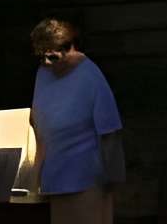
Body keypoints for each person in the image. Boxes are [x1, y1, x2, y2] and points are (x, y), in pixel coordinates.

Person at [27, 17, 124, 222]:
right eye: (41, 57)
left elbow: (110, 133)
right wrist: (35, 178)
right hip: (55, 180)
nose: (46, 63)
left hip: (87, 181)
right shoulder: (44, 74)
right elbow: (39, 126)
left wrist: (111, 179)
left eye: (52, 57)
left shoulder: (90, 75)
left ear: (70, 48)